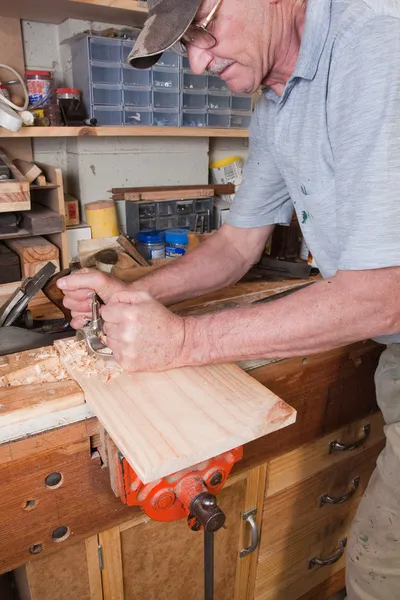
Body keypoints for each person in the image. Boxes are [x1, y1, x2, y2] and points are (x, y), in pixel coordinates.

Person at [57, 0, 400, 597]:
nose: (196, 62)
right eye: (185, 43)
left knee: (379, 575)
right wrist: (130, 294)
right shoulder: (278, 101)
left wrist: (183, 340)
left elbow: (383, 296)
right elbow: (235, 248)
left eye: (204, 31)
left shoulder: (377, 42)